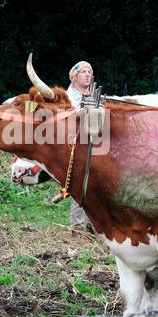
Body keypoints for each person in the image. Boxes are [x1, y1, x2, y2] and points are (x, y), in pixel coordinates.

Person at [65, 60, 94, 228]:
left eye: (89, 72)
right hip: (75, 146)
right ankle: (77, 226)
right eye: (83, 71)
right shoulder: (67, 98)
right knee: (80, 185)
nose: (88, 74)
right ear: (74, 76)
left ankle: (94, 224)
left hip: (96, 145)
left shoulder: (94, 96)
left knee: (96, 185)